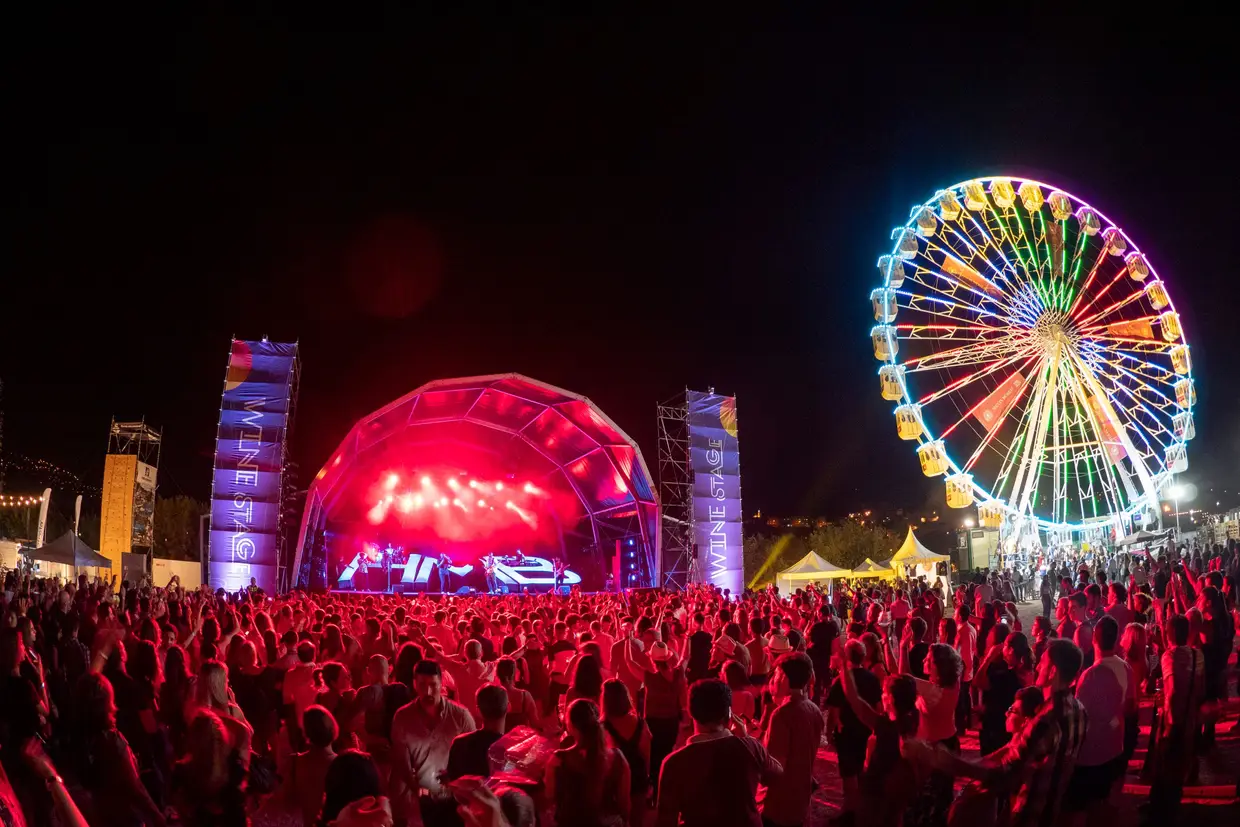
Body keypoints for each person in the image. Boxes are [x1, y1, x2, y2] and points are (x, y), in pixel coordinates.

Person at [656, 679, 782, 827]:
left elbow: (665, 820)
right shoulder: (750, 747)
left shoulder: (674, 763)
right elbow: (777, 775)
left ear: (691, 712)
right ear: (729, 713)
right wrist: (746, 738)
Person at [390, 659, 476, 826]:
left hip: (456, 800)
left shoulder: (460, 716)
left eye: (433, 685)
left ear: (441, 683)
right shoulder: (403, 718)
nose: (428, 691)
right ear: (414, 684)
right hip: (422, 799)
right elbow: (401, 762)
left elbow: (472, 757)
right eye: (422, 685)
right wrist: (414, 789)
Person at [1065, 616, 1134, 820]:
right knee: (1105, 800)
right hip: (1115, 746)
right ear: (1117, 639)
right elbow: (1131, 707)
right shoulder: (1125, 667)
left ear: (1094, 638)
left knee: (1084, 809)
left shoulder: (1091, 675)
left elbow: (1079, 717)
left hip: (1092, 755)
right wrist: (1114, 718)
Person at [1147, 613, 1203, 823]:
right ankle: (1171, 808)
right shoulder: (1198, 655)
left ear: (1169, 633)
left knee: (1164, 767)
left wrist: (1168, 724)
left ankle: (1161, 814)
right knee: (1178, 769)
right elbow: (1201, 688)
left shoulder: (1169, 656)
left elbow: (1171, 692)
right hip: (1190, 719)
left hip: (1171, 721)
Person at [761, 653, 824, 827]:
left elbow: (775, 767)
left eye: (777, 675)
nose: (773, 680)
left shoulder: (782, 715)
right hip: (801, 796)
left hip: (780, 803)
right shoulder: (813, 708)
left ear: (785, 678)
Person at [545, 698, 630, 827]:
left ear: (570, 725)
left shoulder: (558, 760)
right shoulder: (618, 758)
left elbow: (550, 798)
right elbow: (624, 805)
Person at [601, 680, 651, 827]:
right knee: (637, 821)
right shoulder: (641, 724)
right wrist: (647, 779)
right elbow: (646, 756)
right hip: (638, 779)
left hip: (613, 783)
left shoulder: (601, 728)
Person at [287, 704, 339, 826]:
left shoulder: (295, 762)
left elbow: (286, 801)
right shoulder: (341, 764)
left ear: (306, 732)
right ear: (333, 727)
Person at [446, 685, 508, 781]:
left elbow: (452, 782)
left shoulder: (460, 744)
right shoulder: (512, 749)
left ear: (478, 711)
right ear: (508, 707)